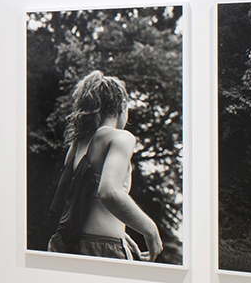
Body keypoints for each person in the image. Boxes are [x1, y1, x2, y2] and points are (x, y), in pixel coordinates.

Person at [46, 71, 163, 260]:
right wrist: (151, 230)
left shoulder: (76, 145)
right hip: (104, 250)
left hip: (66, 245)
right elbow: (109, 193)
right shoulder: (121, 137)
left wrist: (122, 230)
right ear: (122, 106)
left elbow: (77, 200)